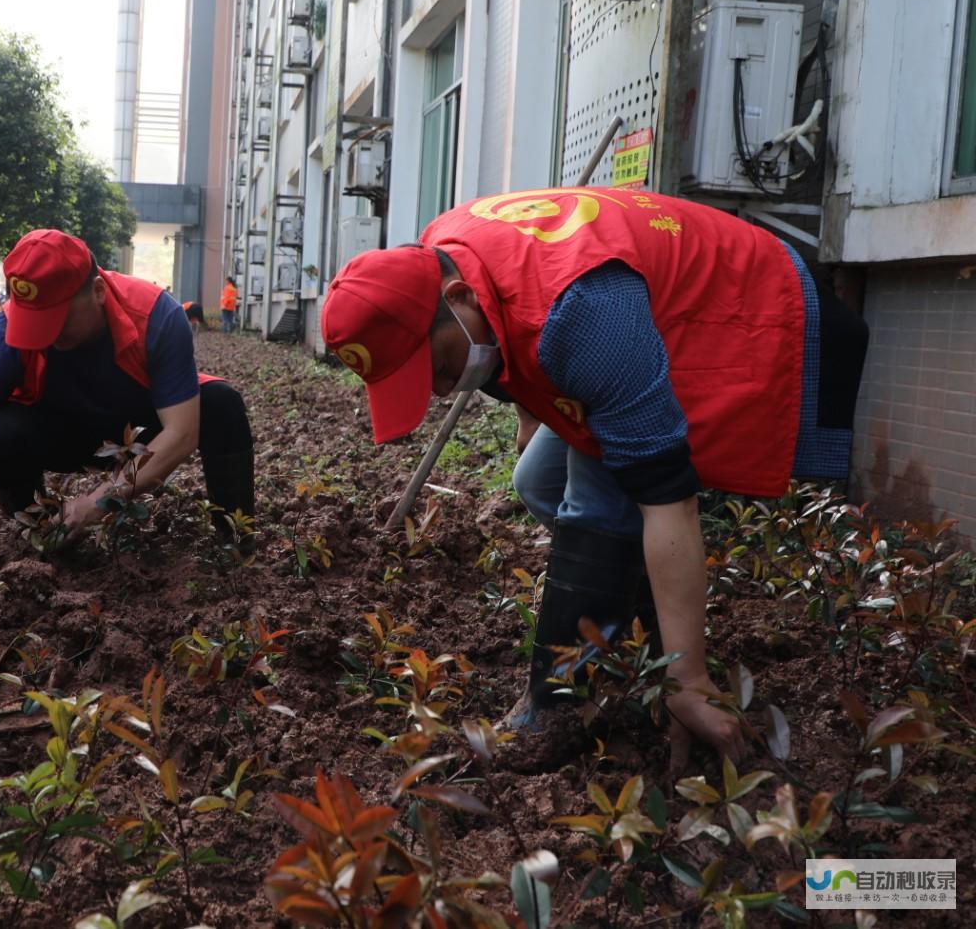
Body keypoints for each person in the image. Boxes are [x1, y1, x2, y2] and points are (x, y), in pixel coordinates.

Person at [320, 187, 867, 770]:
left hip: (760, 314)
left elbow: (667, 502)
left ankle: (559, 702)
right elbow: (508, 327)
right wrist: (533, 410)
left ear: (457, 298)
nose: (437, 390)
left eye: (438, 367)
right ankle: (637, 644)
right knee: (539, 481)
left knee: (605, 499)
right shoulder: (446, 250)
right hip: (635, 315)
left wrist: (687, 678)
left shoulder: (580, 319)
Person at [0, 229, 255, 554]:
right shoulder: (5, 334)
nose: (46, 337)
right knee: (2, 434)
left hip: (138, 431)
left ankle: (235, 546)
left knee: (220, 404)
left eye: (58, 320)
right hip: (60, 433)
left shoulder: (155, 315)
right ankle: (42, 536)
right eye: (35, 323)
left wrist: (99, 500)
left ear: (98, 291)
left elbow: (182, 433)